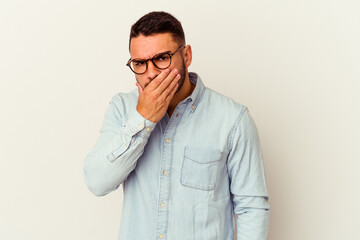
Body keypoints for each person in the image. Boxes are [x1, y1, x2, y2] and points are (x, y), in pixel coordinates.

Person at [83, 11, 270, 240]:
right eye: (140, 63)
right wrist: (143, 118)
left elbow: (252, 208)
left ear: (187, 56)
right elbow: (97, 182)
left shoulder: (233, 119)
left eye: (162, 58)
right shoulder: (122, 109)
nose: (150, 73)